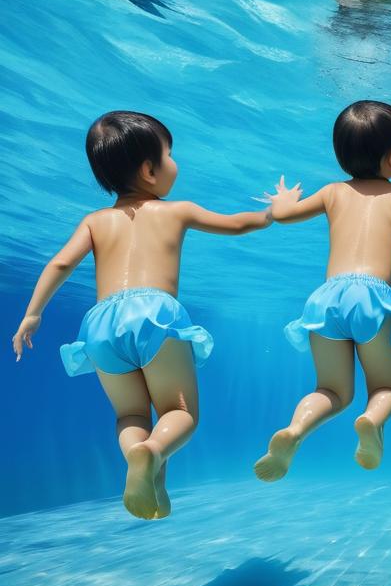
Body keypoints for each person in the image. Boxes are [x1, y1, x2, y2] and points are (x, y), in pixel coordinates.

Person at [11, 111, 281, 519]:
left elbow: (60, 265)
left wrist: (33, 315)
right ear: (149, 170)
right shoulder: (176, 211)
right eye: (170, 154)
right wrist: (276, 210)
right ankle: (152, 452)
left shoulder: (95, 221)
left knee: (131, 414)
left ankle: (146, 467)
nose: (175, 163)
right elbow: (238, 225)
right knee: (180, 413)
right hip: (154, 314)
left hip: (100, 324)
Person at [254, 100, 391, 480]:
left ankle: (294, 431)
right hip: (372, 297)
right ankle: (372, 420)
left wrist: (282, 202)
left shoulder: (332, 192)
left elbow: (285, 216)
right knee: (387, 387)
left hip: (327, 298)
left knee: (332, 390)